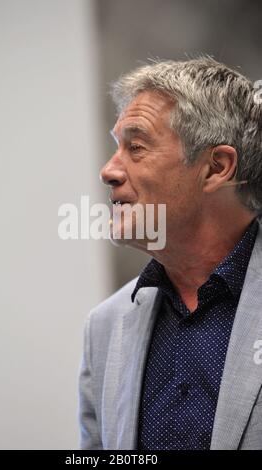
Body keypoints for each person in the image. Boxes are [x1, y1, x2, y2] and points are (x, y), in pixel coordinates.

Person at [78, 57, 262, 450]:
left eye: (137, 146)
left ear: (216, 167)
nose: (108, 170)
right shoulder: (104, 327)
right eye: (117, 147)